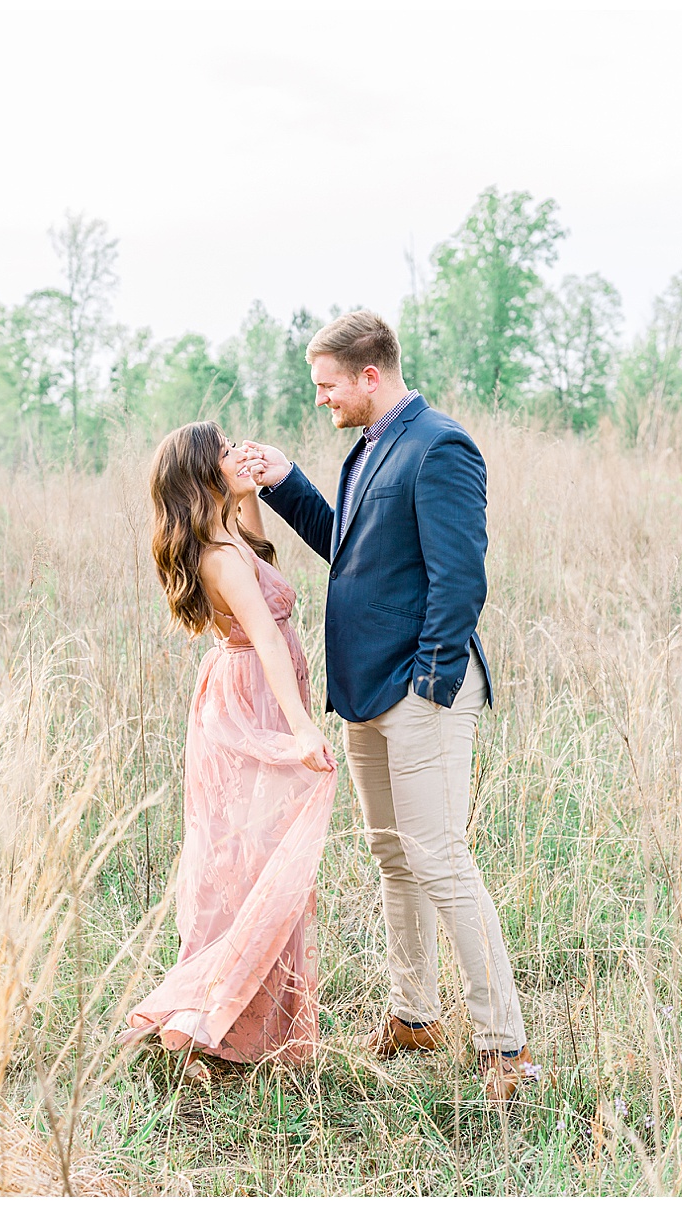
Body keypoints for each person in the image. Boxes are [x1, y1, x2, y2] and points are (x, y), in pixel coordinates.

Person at [240, 310, 541, 1103]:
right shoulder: (370, 448)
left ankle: (505, 1046)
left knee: (440, 856)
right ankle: (414, 1015)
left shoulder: (440, 446)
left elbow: (460, 578)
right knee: (393, 855)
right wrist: (285, 481)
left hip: (421, 691)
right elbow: (353, 547)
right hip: (368, 691)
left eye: (328, 385)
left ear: (370, 374)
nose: (322, 400)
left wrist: (429, 684)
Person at [120, 421, 337, 1085]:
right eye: (223, 454)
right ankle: (212, 1013)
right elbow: (268, 639)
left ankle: (248, 1021)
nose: (234, 454)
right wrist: (301, 727)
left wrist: (250, 489)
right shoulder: (215, 556)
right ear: (199, 473)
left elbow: (264, 550)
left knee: (255, 854)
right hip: (252, 699)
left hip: (249, 691)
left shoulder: (225, 534)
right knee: (246, 859)